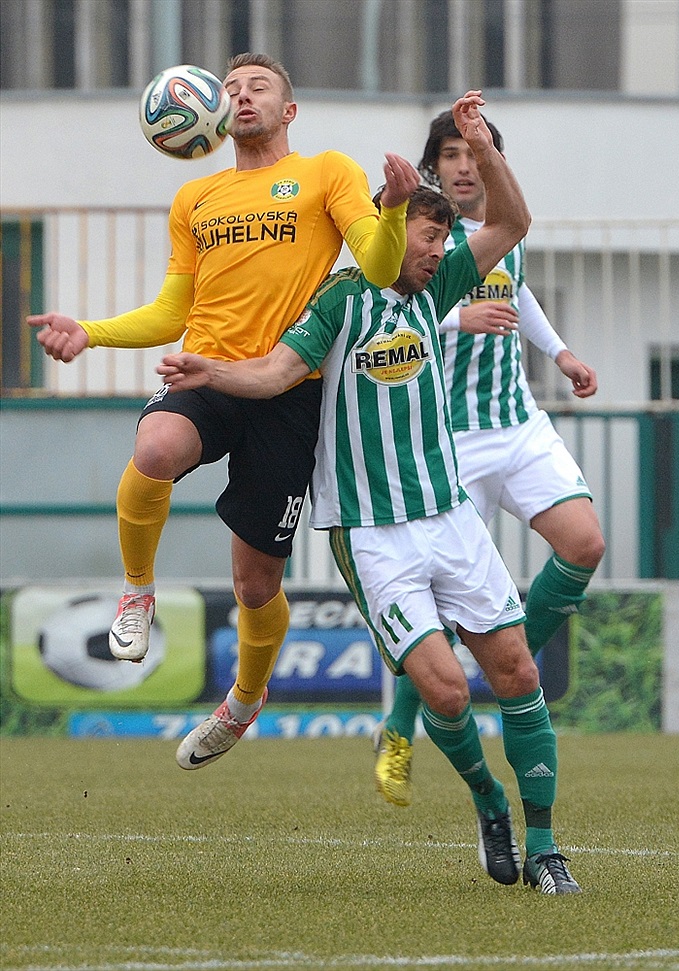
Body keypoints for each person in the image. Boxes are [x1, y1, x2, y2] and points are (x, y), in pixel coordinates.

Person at [158, 91, 581, 894]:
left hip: (450, 512)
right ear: (398, 234)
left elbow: (512, 224)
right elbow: (280, 372)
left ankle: (548, 844)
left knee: (518, 672)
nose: (442, 249)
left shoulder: (436, 288)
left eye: (444, 239)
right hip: (372, 531)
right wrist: (209, 369)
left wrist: (483, 147)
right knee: (446, 688)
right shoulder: (341, 300)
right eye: (430, 236)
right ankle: (488, 800)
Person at [27, 53, 418, 748]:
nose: (241, 95)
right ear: (211, 111)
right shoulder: (195, 200)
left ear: (288, 110)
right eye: (230, 87)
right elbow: (170, 312)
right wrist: (88, 332)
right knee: (154, 447)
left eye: (257, 86)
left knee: (255, 585)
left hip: (288, 388)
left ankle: (242, 701)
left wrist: (390, 211)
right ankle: (138, 590)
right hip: (204, 372)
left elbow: (383, 268)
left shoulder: (327, 171)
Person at [373, 110, 606, 813]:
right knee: (438, 613)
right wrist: (455, 316)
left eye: (479, 152)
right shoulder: (422, 239)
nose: (467, 166)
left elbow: (520, 290)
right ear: (433, 169)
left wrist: (559, 352)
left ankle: (512, 675)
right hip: (450, 441)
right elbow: (389, 308)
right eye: (452, 155)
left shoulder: (508, 226)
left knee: (585, 542)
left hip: (517, 424)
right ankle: (398, 726)